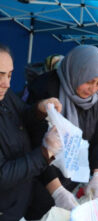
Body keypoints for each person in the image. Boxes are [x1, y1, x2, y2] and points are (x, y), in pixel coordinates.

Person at [25, 45, 98, 219]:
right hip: (41, 182)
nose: (93, 89)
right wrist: (57, 191)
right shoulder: (45, 89)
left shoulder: (96, 100)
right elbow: (35, 142)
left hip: (73, 177)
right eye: (88, 81)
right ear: (76, 72)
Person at [0, 43, 63, 221]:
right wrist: (44, 153)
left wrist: (39, 108)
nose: (6, 83)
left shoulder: (6, 95)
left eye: (10, 75)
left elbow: (22, 114)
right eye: (0, 75)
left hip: (19, 201)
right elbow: (2, 175)